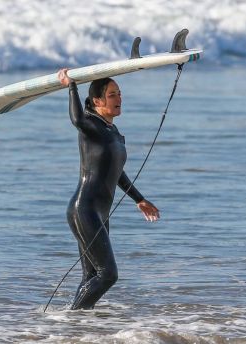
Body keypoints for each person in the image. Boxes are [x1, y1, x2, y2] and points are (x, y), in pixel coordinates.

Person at [57, 68, 160, 310]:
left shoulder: (114, 133)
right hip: (84, 210)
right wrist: (70, 86)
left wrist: (139, 199)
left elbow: (116, 173)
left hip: (100, 214)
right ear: (97, 101)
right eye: (112, 95)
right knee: (108, 274)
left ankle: (75, 329)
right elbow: (77, 119)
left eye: (120, 94)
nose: (119, 99)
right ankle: (72, 319)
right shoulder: (90, 125)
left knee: (91, 276)